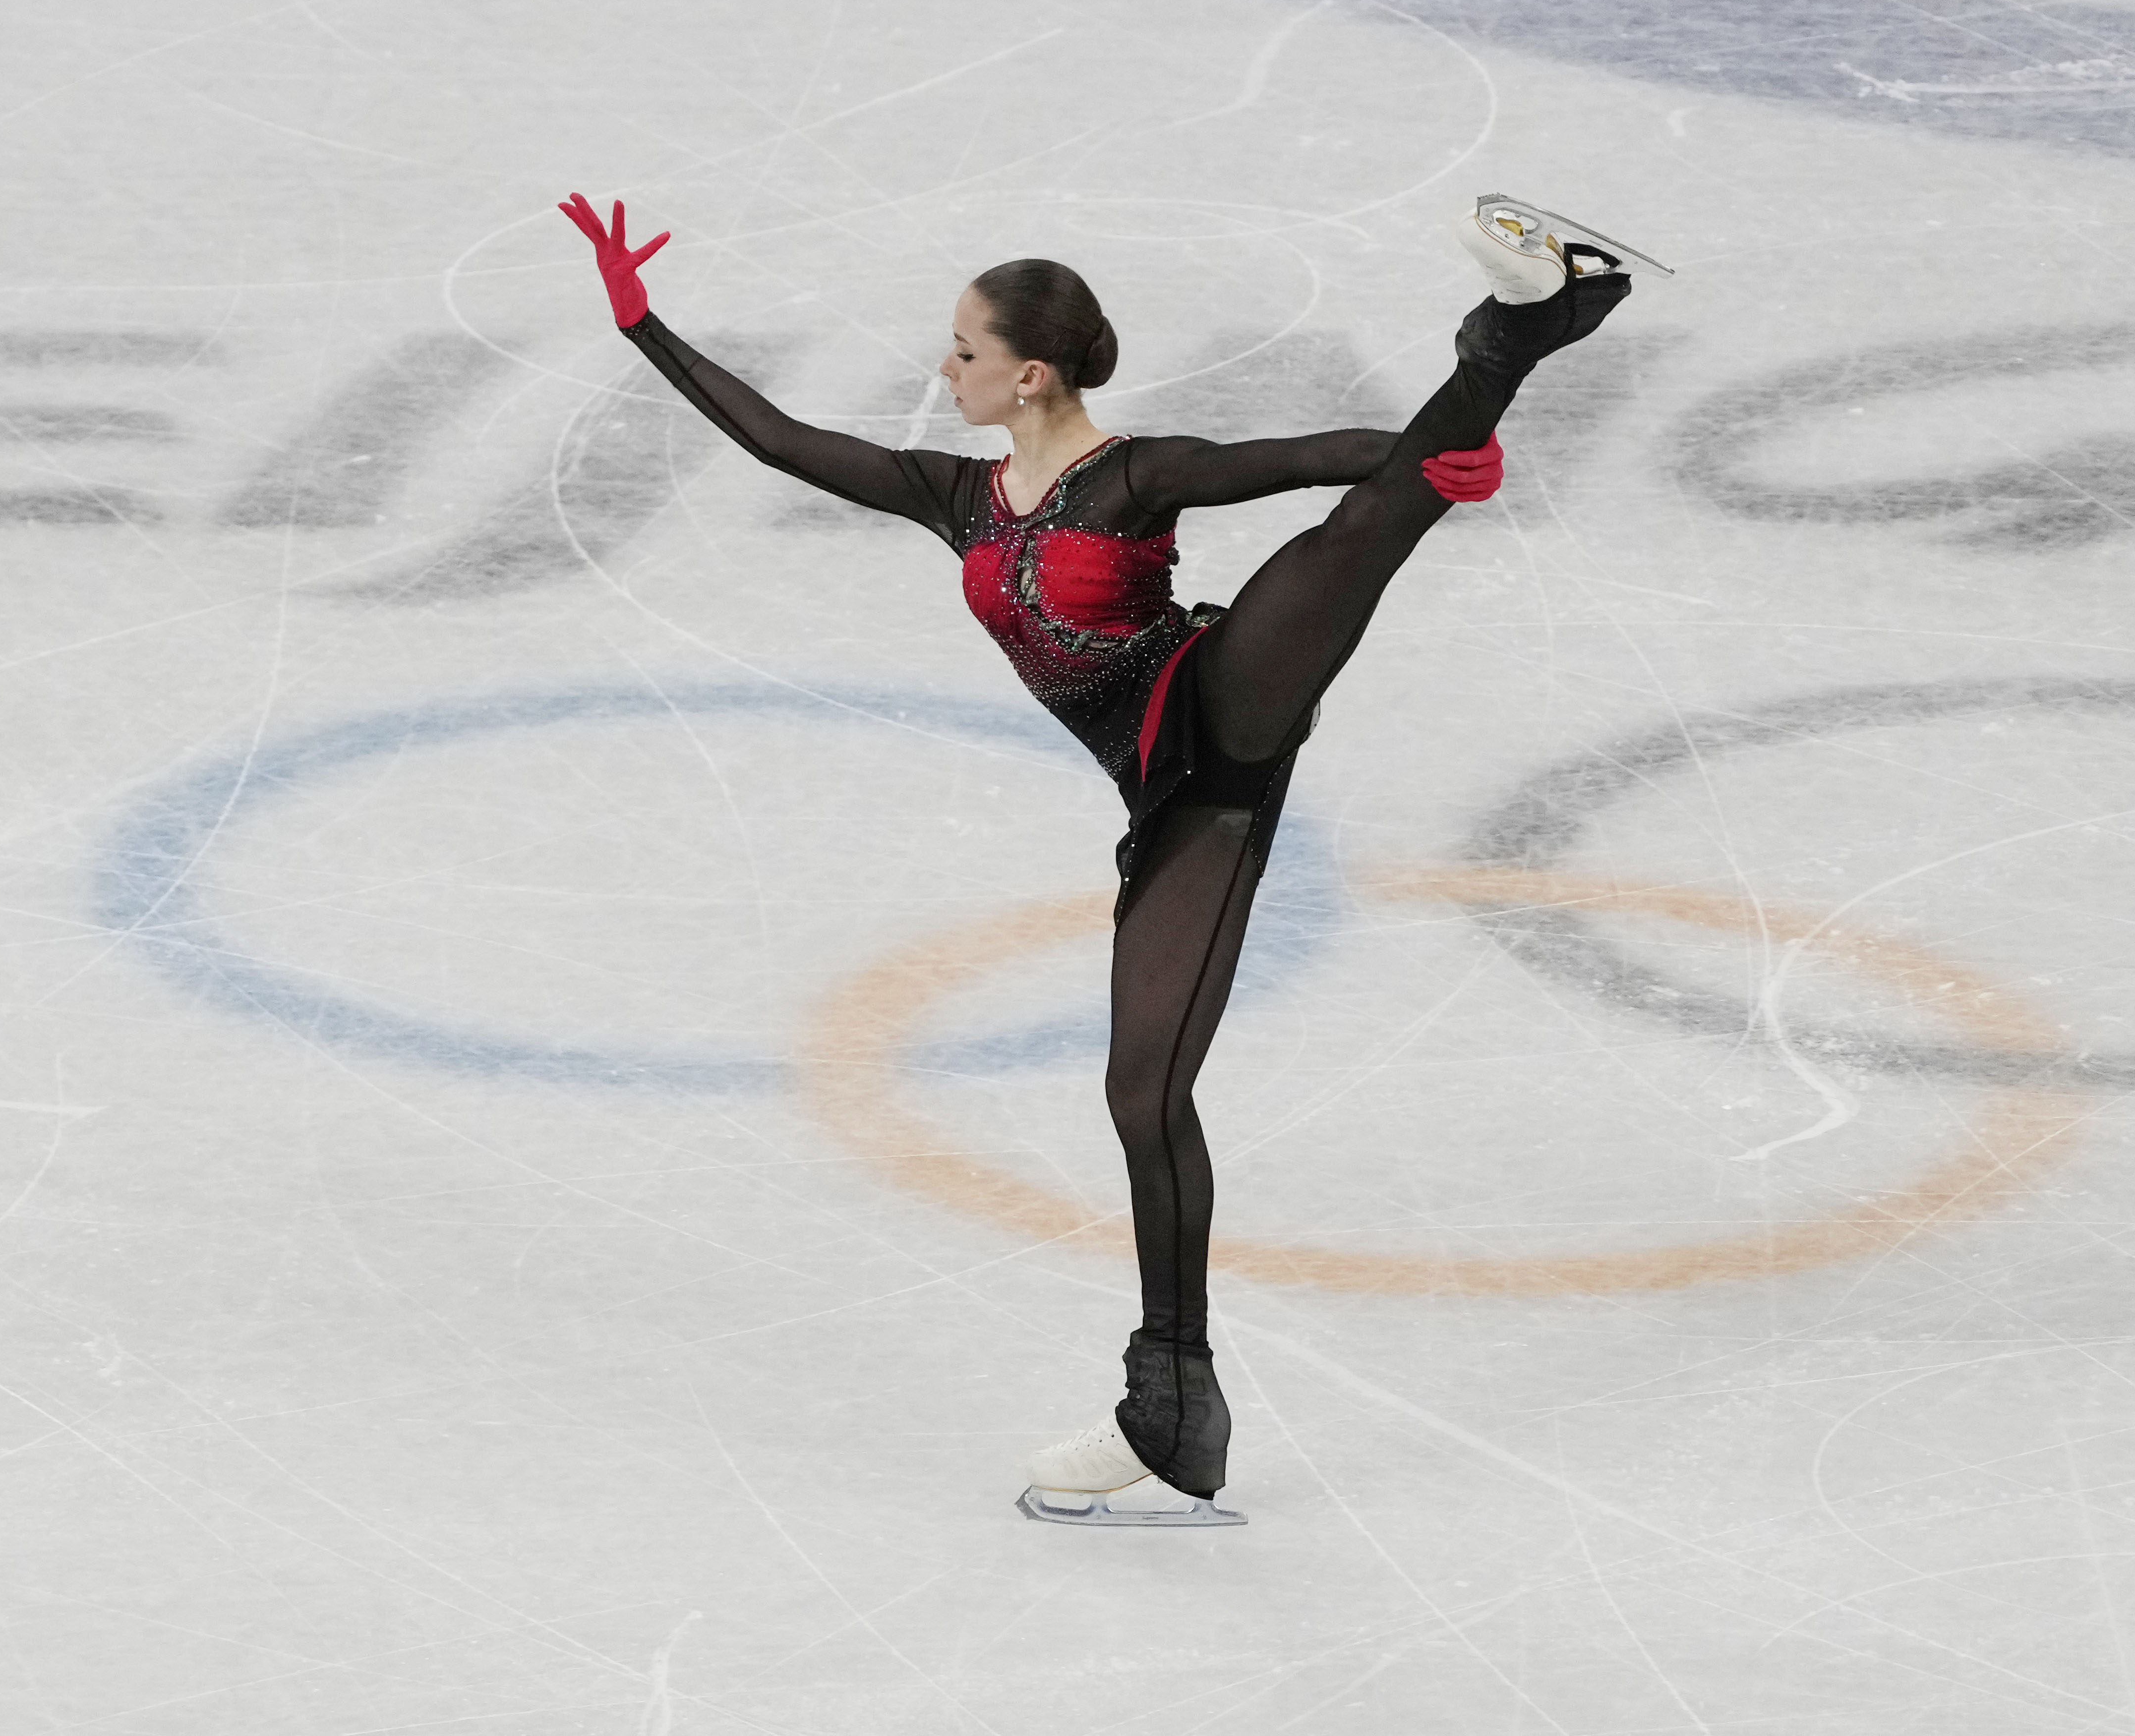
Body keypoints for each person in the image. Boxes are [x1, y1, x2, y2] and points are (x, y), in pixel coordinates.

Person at [558, 191, 1638, 1525]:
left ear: (1030, 372)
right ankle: (1172, 1406)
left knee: (1353, 537)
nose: (939, 369)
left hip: (1223, 702)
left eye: (961, 350)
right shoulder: (952, 497)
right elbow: (779, 439)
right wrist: (640, 321)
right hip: (1169, 803)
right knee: (1143, 1093)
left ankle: (1516, 336)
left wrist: (1425, 469)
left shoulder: (1137, 475)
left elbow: (1313, 455)